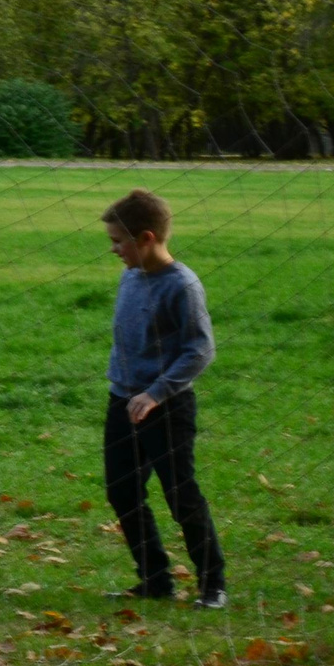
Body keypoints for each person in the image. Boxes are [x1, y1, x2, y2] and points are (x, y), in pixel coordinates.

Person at [99, 188, 226, 608]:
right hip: (123, 402)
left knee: (179, 493)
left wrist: (155, 393)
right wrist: (126, 388)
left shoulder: (182, 286)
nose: (114, 249)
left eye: (119, 241)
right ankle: (155, 579)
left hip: (167, 408)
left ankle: (213, 585)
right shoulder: (130, 276)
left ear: (147, 237)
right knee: (122, 491)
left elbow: (200, 349)